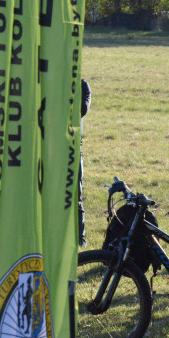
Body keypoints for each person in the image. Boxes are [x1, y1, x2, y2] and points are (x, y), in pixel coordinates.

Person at [78, 78, 91, 246]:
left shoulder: (82, 85)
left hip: (72, 147)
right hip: (48, 147)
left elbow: (83, 109)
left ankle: (79, 237)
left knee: (75, 195)